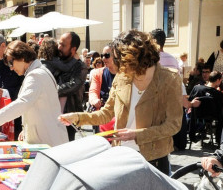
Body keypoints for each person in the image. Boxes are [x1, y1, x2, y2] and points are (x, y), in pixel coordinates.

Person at [59, 29, 183, 174]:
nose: (116, 65)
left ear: (133, 57)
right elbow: (106, 113)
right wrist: (78, 117)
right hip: (121, 155)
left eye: (119, 59)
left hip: (153, 159)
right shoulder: (122, 77)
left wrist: (138, 134)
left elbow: (173, 125)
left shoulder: (169, 80)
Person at [0, 41, 68, 146]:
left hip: (47, 140)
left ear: (22, 58)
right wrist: (26, 130)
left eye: (11, 62)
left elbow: (22, 103)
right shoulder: (39, 72)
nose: (11, 68)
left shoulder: (35, 75)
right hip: (47, 138)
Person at [46, 32, 88, 141]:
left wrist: (50, 90)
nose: (59, 47)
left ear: (73, 49)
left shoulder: (80, 66)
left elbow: (72, 86)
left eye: (63, 45)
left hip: (68, 116)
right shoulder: (55, 60)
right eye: (59, 44)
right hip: (50, 114)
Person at [0, 32, 24, 138]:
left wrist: (6, 93)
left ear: (3, 46)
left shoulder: (16, 64)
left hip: (15, 120)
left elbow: (24, 92)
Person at [187, 70, 223, 146]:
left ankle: (192, 135)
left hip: (197, 115)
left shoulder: (197, 88)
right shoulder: (218, 94)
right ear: (217, 80)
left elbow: (190, 100)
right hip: (213, 116)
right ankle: (218, 139)